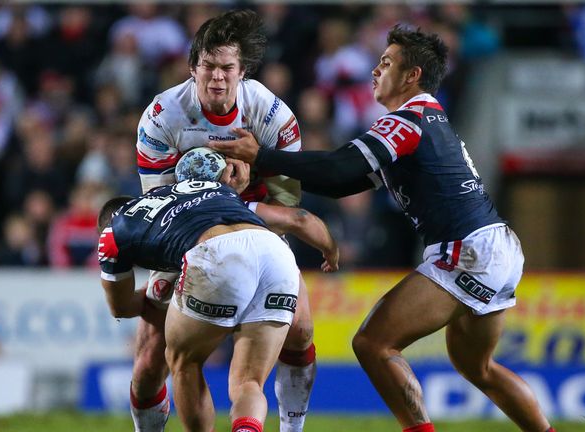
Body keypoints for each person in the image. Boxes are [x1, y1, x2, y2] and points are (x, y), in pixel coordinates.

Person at [210, 25, 555, 432]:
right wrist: (266, 168)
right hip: (495, 246)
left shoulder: (408, 121)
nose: (375, 70)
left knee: (373, 343)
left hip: (468, 249)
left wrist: (263, 155)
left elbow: (340, 170)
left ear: (412, 77)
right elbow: (346, 184)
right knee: (477, 367)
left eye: (386, 63)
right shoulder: (426, 119)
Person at [130, 10, 318, 432]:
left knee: (302, 331)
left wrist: (252, 179)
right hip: (181, 236)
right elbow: (158, 206)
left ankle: (292, 428)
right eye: (208, 67)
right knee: (148, 360)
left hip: (256, 230)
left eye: (226, 68)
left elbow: (287, 203)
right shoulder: (162, 117)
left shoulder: (273, 117)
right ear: (192, 66)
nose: (217, 77)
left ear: (242, 71)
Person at [97, 155, 337, 432]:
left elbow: (122, 307)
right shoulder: (201, 188)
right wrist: (330, 249)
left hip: (216, 256)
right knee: (248, 382)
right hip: (275, 253)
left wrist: (160, 293)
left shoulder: (114, 231)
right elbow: (296, 218)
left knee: (183, 361)